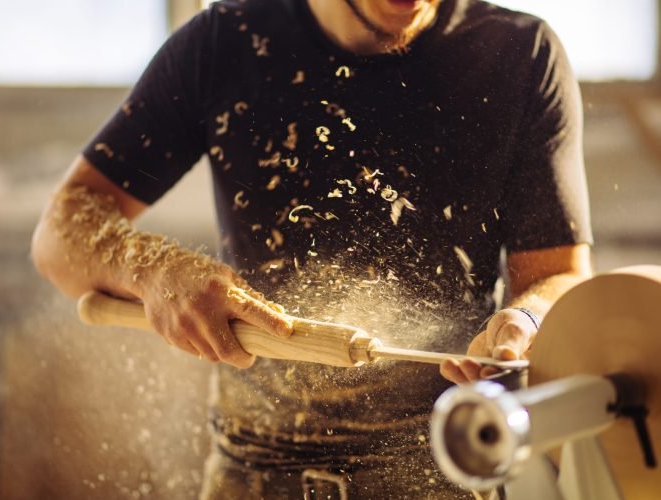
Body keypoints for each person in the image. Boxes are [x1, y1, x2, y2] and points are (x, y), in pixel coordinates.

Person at [31, 0, 593, 497]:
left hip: (447, 468)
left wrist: (525, 318)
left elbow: (559, 274)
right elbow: (60, 232)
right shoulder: (224, 40)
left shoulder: (520, 53)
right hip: (252, 473)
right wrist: (152, 271)